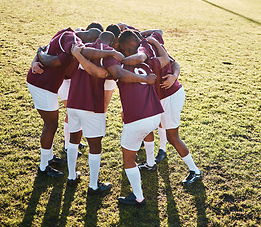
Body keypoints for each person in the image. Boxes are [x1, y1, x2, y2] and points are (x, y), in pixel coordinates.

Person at [66, 31, 157, 196]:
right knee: (95, 146)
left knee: (73, 140)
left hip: (72, 101)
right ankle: (93, 186)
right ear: (114, 42)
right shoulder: (107, 52)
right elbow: (104, 73)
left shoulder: (82, 47)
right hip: (91, 104)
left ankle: (72, 177)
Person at [27, 27, 124, 178]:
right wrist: (111, 52)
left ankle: (49, 157)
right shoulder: (74, 42)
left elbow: (45, 49)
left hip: (47, 83)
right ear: (91, 39)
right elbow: (49, 55)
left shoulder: (66, 33)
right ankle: (43, 166)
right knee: (51, 124)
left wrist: (37, 56)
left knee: (54, 123)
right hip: (42, 84)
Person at [120, 28, 201, 185]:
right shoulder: (150, 42)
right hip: (158, 96)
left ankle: (195, 170)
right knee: (149, 127)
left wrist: (174, 77)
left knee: (172, 136)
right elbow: (168, 55)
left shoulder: (145, 48)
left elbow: (171, 62)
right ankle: (150, 163)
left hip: (169, 95)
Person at [116, 30, 169, 206]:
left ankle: (138, 197)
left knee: (128, 158)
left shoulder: (119, 65)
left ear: (123, 46)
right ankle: (150, 161)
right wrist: (155, 42)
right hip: (155, 115)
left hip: (138, 118)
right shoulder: (147, 64)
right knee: (145, 133)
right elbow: (166, 60)